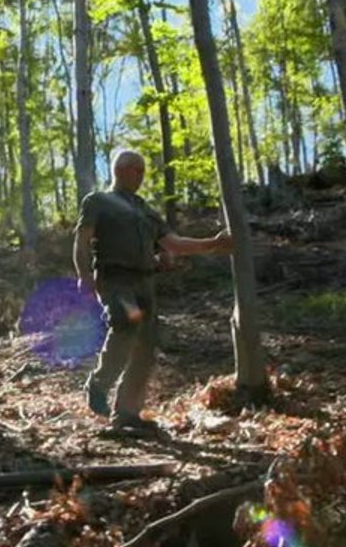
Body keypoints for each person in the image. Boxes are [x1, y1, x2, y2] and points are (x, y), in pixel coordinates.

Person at [73, 149, 233, 430]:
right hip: (115, 279)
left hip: (145, 281)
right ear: (121, 170)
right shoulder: (98, 201)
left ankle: (126, 415)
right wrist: (84, 275)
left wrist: (212, 244)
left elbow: (174, 243)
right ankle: (99, 384)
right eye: (138, 170)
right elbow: (82, 240)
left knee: (145, 349)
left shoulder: (146, 210)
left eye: (143, 170)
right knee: (127, 323)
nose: (142, 176)